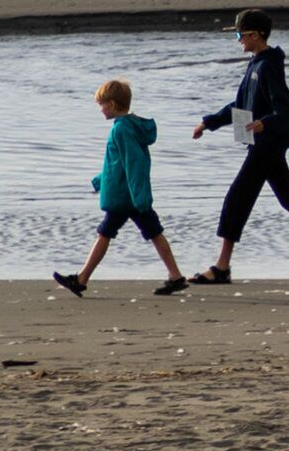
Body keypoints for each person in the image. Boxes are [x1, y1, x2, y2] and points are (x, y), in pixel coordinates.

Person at [189, 9, 289, 283]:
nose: (239, 40)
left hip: (269, 143)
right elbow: (240, 107)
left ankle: (222, 267)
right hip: (261, 143)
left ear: (256, 35)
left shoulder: (269, 65)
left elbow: (285, 107)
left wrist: (267, 122)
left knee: (237, 197)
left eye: (241, 35)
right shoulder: (254, 64)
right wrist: (210, 123)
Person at [53, 78, 189, 297]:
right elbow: (116, 164)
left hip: (126, 198)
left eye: (102, 105)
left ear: (113, 105)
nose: (100, 109)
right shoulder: (127, 127)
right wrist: (101, 181)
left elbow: (133, 164)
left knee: (105, 233)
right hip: (129, 195)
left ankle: (81, 279)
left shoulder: (122, 130)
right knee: (154, 232)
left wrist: (140, 197)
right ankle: (175, 276)